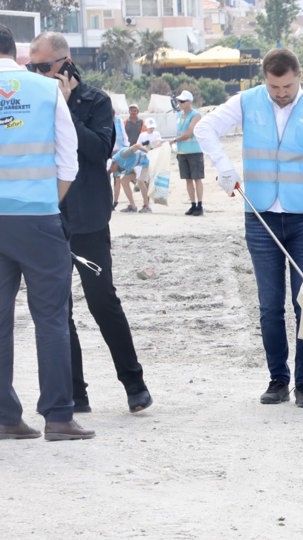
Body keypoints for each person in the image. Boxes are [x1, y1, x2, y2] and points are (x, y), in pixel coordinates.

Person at [194, 48, 303, 407]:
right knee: (269, 305)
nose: (281, 93)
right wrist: (224, 166)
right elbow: (204, 128)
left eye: (288, 86)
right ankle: (278, 379)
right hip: (260, 214)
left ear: (300, 77)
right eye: (274, 87)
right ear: (265, 79)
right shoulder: (247, 102)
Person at [30, 32, 153, 415]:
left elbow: (99, 150)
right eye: (32, 67)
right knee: (57, 310)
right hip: (48, 217)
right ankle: (74, 391)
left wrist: (65, 107)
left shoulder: (96, 101)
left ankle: (133, 381)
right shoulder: (34, 100)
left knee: (102, 301)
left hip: (88, 219)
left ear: (65, 65)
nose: (37, 73)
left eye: (43, 66)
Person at [0, 25, 94, 441]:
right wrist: (47, 203)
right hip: (37, 217)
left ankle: (5, 418)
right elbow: (68, 160)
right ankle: (58, 416)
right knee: (51, 318)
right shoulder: (43, 90)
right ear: (15, 51)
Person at [169, 90, 205, 216]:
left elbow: (189, 132)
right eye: (179, 101)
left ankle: (200, 205)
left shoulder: (196, 115)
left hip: (194, 151)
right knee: (188, 179)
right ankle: (193, 204)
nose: (180, 103)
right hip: (182, 151)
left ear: (189, 102)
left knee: (197, 179)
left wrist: (174, 140)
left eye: (183, 101)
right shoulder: (179, 115)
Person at [108, 145, 151, 213]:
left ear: (113, 164)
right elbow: (117, 186)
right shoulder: (115, 170)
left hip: (144, 162)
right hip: (135, 167)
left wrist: (150, 153)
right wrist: (115, 202)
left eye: (110, 170)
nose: (111, 172)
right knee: (124, 181)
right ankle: (133, 206)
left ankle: (147, 206)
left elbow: (137, 146)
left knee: (140, 181)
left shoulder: (123, 154)